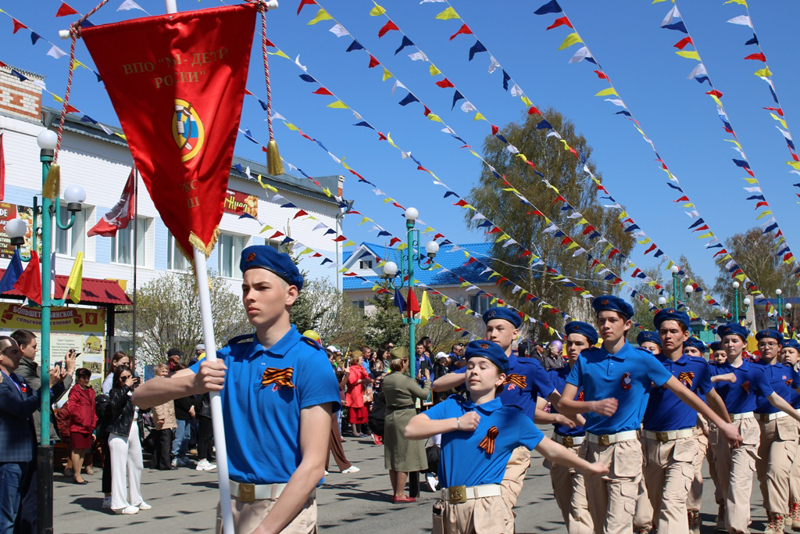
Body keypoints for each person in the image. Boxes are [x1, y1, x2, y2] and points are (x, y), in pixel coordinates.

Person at [133, 245, 340, 533]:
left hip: (285, 510)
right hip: (231, 508)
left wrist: (265, 531)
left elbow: (314, 465)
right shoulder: (228, 358)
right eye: (245, 288)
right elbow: (141, 396)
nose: (249, 297)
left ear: (290, 294)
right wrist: (194, 383)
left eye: (262, 287)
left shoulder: (310, 360)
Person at [557, 296, 742, 534]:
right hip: (592, 449)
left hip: (625, 449)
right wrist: (591, 406)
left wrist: (723, 425)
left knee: (619, 526)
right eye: (601, 320)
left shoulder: (643, 359)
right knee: (600, 526)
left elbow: (686, 394)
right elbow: (564, 404)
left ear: (627, 325)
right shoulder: (586, 358)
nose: (606, 325)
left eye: (613, 320)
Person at [405, 339, 608, 534]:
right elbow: (411, 429)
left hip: (485, 509)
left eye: (483, 367)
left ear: (500, 378)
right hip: (448, 508)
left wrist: (587, 466)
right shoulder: (452, 406)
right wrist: (457, 423)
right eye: (470, 366)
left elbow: (551, 449)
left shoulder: (511, 417)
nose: (474, 371)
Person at [432, 307, 577, 510]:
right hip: (479, 445)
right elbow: (437, 385)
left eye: (500, 328)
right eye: (490, 329)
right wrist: (475, 372)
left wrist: (581, 418)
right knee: (483, 512)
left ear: (515, 333)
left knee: (500, 507)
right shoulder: (478, 364)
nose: (493, 334)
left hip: (513, 449)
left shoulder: (529, 367)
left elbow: (557, 400)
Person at [640, 309, 733, 533]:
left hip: (683, 443)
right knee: (657, 505)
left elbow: (712, 397)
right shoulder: (647, 364)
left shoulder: (698, 365)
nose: (668, 336)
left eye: (673, 331)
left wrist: (728, 425)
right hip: (650, 443)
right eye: (663, 331)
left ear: (685, 334)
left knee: (673, 502)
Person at [711, 323, 800, 534]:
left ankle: (742, 526)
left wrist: (797, 415)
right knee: (727, 479)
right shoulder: (712, 368)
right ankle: (743, 516)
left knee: (744, 478)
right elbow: (697, 389)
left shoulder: (755, 371)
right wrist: (719, 378)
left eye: (734, 340)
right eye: (726, 341)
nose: (730, 344)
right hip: (723, 426)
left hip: (749, 425)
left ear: (743, 344)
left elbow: (775, 398)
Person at [546, 321, 597, 534]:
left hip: (585, 447)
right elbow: (538, 407)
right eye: (570, 343)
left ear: (590, 347)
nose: (573, 348)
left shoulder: (598, 377)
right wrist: (556, 416)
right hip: (559, 449)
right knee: (566, 507)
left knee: (580, 508)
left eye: (579, 344)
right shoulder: (553, 376)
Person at [753, 329, 800, 533]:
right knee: (763, 475)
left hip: (785, 425)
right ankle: (773, 512)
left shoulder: (789, 372)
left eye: (771, 344)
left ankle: (778, 518)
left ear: (779, 348)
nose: (766, 347)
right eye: (762, 344)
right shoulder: (751, 369)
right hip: (757, 426)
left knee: (777, 470)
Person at [0, 336, 39, 533]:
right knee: (6, 517)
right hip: (8, 457)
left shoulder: (18, 379)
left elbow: (38, 401)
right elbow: (20, 408)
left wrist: (58, 384)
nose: (19, 355)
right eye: (13, 352)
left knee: (16, 512)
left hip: (24, 454)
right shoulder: (1, 382)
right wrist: (45, 391)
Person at [383, 347, 431, 503]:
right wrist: (427, 381)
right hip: (405, 416)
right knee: (404, 455)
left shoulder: (387, 379)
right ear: (403, 361)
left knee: (392, 455)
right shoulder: (405, 380)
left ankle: (395, 491)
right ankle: (400, 493)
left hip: (390, 416)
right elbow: (424, 394)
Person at [107, 365, 148, 515]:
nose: (127, 380)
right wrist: (125, 387)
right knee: (119, 468)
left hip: (134, 428)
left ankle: (136, 499)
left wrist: (143, 391)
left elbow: (145, 408)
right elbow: (115, 404)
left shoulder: (132, 392)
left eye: (129, 377)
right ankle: (118, 503)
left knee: (137, 464)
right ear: (118, 379)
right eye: (123, 378)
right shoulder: (116, 392)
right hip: (119, 431)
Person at [781, 338, 800, 530]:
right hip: (780, 424)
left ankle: (796, 508)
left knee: (794, 469)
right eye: (784, 352)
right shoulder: (775, 375)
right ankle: (783, 508)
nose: (787, 355)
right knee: (779, 471)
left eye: (791, 352)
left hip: (798, 422)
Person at [67, 368, 96, 485]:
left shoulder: (90, 391)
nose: (85, 380)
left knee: (83, 450)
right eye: (83, 377)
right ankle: (76, 474)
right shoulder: (75, 391)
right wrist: (81, 420)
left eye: (87, 377)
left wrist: (92, 422)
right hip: (78, 426)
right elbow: (71, 408)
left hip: (88, 426)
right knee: (76, 450)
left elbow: (93, 409)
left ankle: (78, 472)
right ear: (78, 378)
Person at [150, 364, 176, 471]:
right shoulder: (158, 384)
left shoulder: (164, 382)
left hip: (167, 415)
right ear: (157, 372)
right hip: (164, 416)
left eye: (166, 371)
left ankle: (157, 462)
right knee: (165, 441)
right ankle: (165, 464)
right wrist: (160, 416)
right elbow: (157, 402)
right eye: (162, 371)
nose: (165, 373)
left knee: (160, 441)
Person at [346, 352, 371, 438]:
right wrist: (362, 380)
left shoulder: (361, 368)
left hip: (361, 392)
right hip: (355, 393)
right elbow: (352, 380)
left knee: (362, 411)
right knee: (354, 412)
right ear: (356, 360)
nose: (362, 362)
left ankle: (359, 430)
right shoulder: (352, 369)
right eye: (361, 360)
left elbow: (367, 376)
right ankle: (354, 431)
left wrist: (367, 380)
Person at [195, 393, 216, 472]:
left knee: (208, 437)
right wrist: (198, 413)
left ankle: (205, 458)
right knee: (204, 437)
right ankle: (202, 460)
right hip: (205, 413)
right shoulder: (204, 390)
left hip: (207, 413)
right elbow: (198, 401)